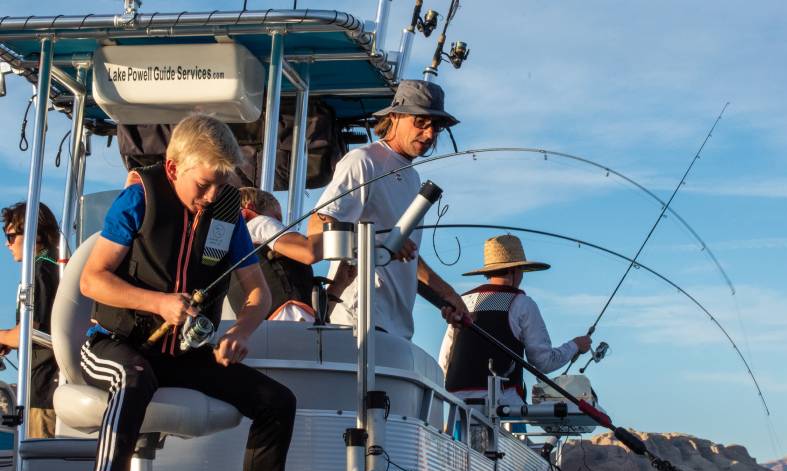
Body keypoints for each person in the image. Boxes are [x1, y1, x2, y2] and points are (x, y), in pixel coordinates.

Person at [78, 114, 299, 471]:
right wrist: (158, 303)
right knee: (134, 377)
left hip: (182, 352)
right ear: (175, 168)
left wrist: (240, 330)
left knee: (278, 402)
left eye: (221, 185)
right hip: (116, 344)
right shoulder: (138, 198)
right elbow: (91, 280)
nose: (212, 196)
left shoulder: (226, 212)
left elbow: (258, 291)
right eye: (203, 185)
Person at [306, 79, 467, 339]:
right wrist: (377, 242)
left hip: (398, 326)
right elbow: (318, 225)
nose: (428, 135)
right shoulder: (363, 161)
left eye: (435, 127)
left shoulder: (412, 177)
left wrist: (447, 294)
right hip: (358, 318)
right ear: (394, 117)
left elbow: (406, 255)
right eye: (420, 123)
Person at [439, 234, 592, 406]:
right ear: (515, 270)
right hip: (504, 408)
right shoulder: (522, 304)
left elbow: (444, 362)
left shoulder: (462, 301)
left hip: (458, 409)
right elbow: (543, 362)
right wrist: (575, 345)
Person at [239, 187, 355, 322]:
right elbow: (310, 252)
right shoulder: (256, 222)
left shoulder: (237, 246)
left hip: (279, 330)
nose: (281, 225)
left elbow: (313, 316)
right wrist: (323, 217)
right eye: (277, 218)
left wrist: (340, 282)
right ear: (250, 207)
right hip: (287, 328)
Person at [0, 202, 60, 438]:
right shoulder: (52, 266)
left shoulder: (41, 271)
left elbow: (27, 331)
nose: (7, 243)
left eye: (11, 236)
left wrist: (3, 336)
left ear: (35, 234)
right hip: (45, 389)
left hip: (43, 394)